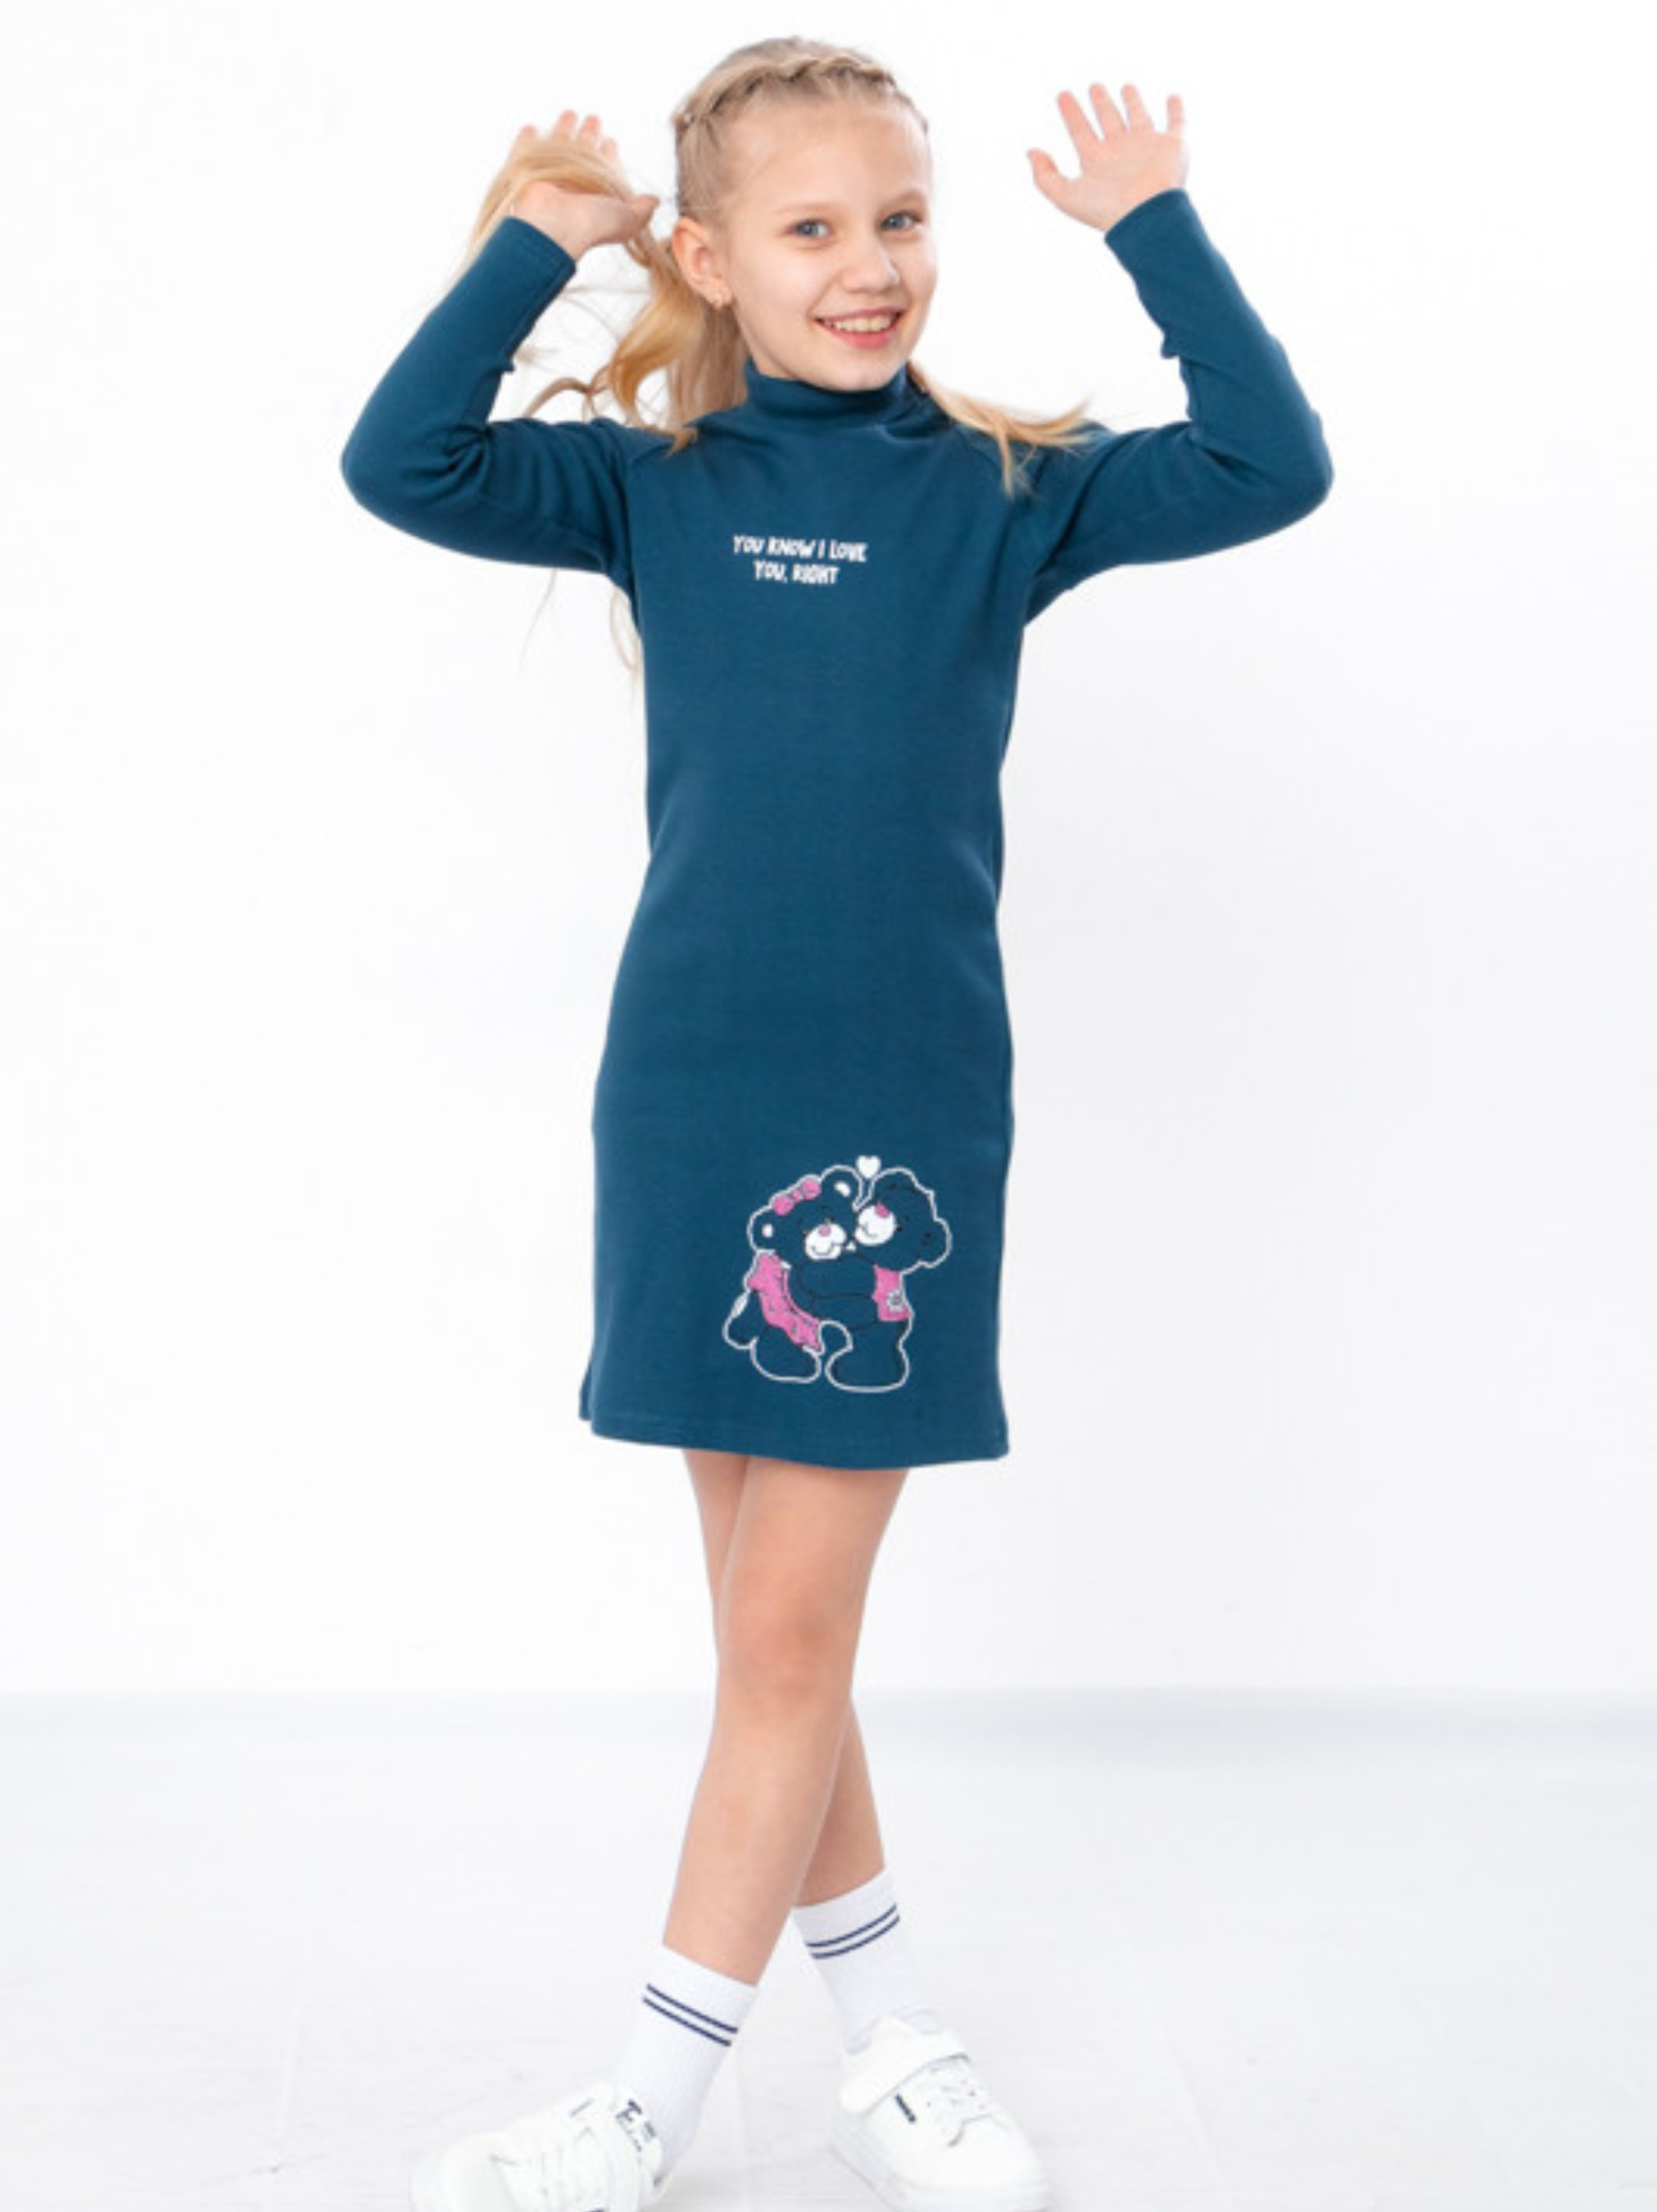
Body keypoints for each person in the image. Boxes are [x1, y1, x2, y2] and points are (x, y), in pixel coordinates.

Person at [339, 35, 1332, 2212]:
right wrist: (536, 242)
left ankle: (639, 2111)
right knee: (770, 1641)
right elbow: (398, 459)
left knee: (787, 1637)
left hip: (891, 1133)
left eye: (898, 218)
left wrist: (1154, 229)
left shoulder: (1004, 491)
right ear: (712, 257)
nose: (870, 263)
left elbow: (1271, 462)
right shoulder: (651, 486)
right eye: (810, 227)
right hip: (689, 1098)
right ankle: (893, 2040)